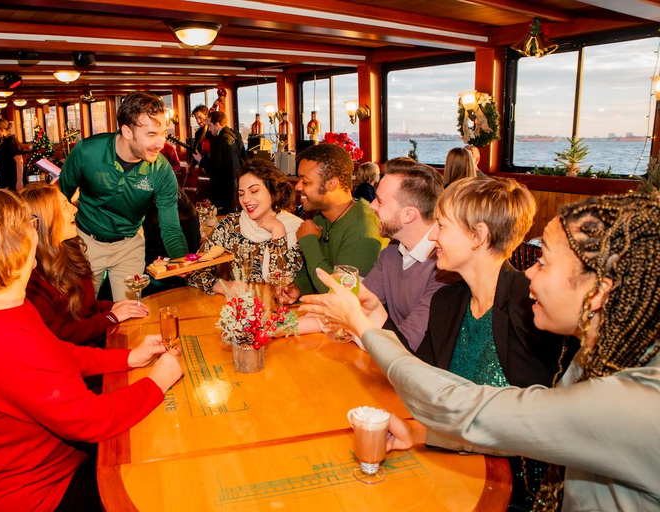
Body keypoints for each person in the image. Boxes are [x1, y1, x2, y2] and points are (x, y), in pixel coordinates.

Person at [301, 189, 660, 511]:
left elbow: (475, 408)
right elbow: (517, 427)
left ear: (598, 293)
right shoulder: (595, 361)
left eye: (543, 262)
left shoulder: (635, 402)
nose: (530, 272)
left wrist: (360, 325)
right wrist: (426, 434)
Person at [0, 189, 184, 512]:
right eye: (27, 223)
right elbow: (92, 419)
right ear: (10, 246)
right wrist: (157, 381)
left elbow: (58, 353)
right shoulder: (3, 339)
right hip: (39, 495)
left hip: (47, 468)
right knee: (162, 483)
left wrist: (128, 357)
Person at [58, 92, 188, 301]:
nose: (161, 142)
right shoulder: (87, 153)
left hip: (129, 244)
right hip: (85, 242)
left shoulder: (161, 170)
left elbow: (171, 226)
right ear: (127, 132)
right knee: (79, 311)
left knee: (130, 314)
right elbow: (60, 199)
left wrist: (180, 259)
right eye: (152, 134)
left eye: (164, 133)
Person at [19, 183, 149, 346]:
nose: (74, 209)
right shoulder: (30, 278)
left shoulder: (70, 249)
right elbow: (60, 335)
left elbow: (85, 308)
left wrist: (113, 307)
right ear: (47, 220)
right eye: (65, 206)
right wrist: (111, 316)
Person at [352, 158, 455, 351]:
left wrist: (355, 326)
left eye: (380, 201)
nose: (372, 206)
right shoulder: (392, 251)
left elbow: (407, 345)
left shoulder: (445, 267)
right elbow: (356, 305)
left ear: (408, 215)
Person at [275, 143, 387, 303]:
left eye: (305, 182)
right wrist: (299, 287)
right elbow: (310, 269)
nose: (298, 186)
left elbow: (341, 295)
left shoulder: (364, 227)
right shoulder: (322, 215)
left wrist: (308, 241)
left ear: (331, 184)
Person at [186, 158, 303, 295]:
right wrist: (223, 286)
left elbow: (282, 287)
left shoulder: (296, 229)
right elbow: (193, 271)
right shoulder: (230, 226)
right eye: (241, 194)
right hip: (235, 311)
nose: (246, 200)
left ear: (273, 191)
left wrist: (278, 231)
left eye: (254, 191)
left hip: (280, 313)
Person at [193, 110, 245, 215]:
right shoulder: (236, 135)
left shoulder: (218, 141)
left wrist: (201, 160)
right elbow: (243, 157)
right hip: (236, 184)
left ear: (217, 124)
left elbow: (214, 168)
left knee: (221, 217)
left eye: (210, 126)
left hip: (222, 188)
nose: (209, 130)